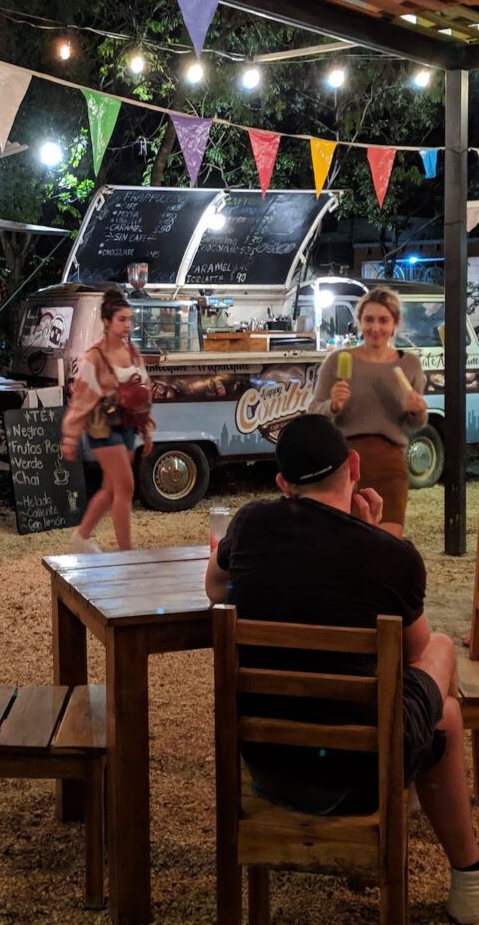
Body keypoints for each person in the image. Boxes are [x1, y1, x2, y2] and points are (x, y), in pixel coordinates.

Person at [204, 414, 479, 923]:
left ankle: (429, 782)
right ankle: (468, 876)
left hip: (269, 766)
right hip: (362, 775)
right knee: (441, 670)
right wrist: (366, 538)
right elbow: (415, 653)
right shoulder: (393, 557)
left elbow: (216, 590)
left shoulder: (249, 524)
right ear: (354, 467)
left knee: (436, 705)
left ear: (283, 483)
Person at [309, 286, 426, 537]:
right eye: (368, 319)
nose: (375, 327)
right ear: (359, 322)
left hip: (390, 464)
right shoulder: (338, 360)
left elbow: (415, 424)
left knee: (387, 544)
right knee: (348, 541)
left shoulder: (409, 364)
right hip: (345, 465)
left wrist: (417, 412)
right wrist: (332, 406)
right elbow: (312, 413)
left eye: (383, 320)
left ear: (395, 323)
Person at [60, 290, 153, 552]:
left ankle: (81, 536)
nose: (127, 325)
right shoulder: (94, 357)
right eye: (122, 319)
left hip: (127, 426)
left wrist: (146, 430)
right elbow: (80, 401)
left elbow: (142, 394)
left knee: (111, 488)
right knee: (126, 486)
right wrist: (70, 438)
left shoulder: (132, 353)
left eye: (129, 320)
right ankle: (126, 551)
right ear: (107, 321)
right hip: (102, 428)